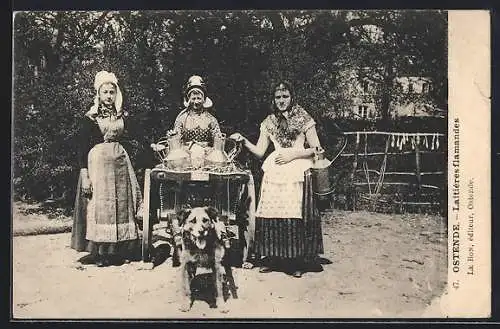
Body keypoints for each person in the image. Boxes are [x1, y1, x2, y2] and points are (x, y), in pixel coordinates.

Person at [230, 81, 324, 278]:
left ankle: (296, 261)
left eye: (285, 97)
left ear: (292, 97)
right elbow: (260, 151)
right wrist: (244, 140)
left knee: (293, 213)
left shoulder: (303, 117)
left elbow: (317, 148)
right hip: (275, 169)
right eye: (278, 97)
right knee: (273, 212)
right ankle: (273, 258)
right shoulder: (269, 122)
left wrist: (293, 155)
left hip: (298, 167)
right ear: (273, 100)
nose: (282, 101)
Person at [70, 70, 142, 267]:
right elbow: (81, 148)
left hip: (120, 165)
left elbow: (131, 139)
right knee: (101, 207)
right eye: (105, 92)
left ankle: (118, 251)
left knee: (121, 206)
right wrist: (85, 176)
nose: (109, 96)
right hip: (98, 166)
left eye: (112, 92)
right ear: (98, 94)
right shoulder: (90, 117)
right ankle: (100, 252)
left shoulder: (122, 115)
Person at [171, 75, 222, 147]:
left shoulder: (211, 119)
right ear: (189, 100)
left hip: (206, 154)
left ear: (204, 100)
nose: (196, 102)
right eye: (193, 98)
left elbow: (218, 140)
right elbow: (176, 139)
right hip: (185, 154)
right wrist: (173, 136)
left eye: (199, 98)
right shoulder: (182, 118)